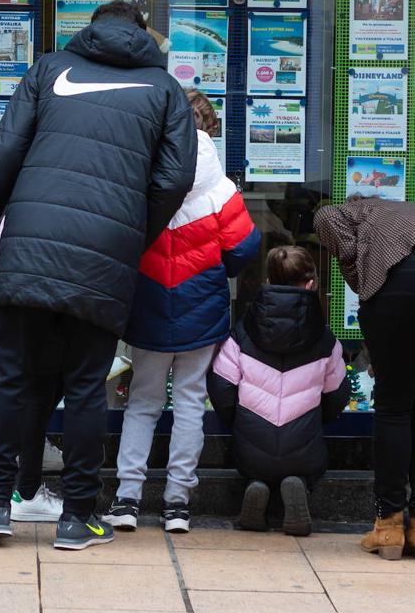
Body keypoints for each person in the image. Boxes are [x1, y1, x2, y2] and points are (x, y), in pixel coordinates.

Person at [0, 0, 198, 550]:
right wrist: (132, 232)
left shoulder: (49, 68)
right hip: (105, 252)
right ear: (142, 32)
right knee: (86, 387)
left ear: (93, 30)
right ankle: (77, 516)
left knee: (11, 377)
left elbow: (4, 150)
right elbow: (176, 178)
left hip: (29, 240)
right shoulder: (165, 90)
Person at [102, 90, 260, 533]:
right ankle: (177, 504)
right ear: (209, 127)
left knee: (144, 402)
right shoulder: (221, 188)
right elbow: (243, 249)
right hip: (202, 307)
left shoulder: (142, 174)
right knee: (190, 401)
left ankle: (128, 498)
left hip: (148, 304)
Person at [207, 246, 350, 536]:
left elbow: (221, 388)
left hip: (250, 447)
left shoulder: (241, 334)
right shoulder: (326, 340)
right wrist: (316, 419)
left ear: (268, 281)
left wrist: (239, 419)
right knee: (307, 462)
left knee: (256, 463)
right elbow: (337, 395)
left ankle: (256, 485)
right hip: (305, 448)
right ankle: (299, 484)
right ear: (310, 284)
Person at [315, 197, 415, 559]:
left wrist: (352, 264)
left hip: (396, 288)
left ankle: (388, 524)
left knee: (393, 406)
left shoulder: (357, 210)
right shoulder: (404, 211)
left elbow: (325, 216)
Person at [0, 216, 64, 523]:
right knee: (37, 387)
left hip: (15, 254)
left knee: (19, 384)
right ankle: (23, 492)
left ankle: (1, 501)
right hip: (37, 258)